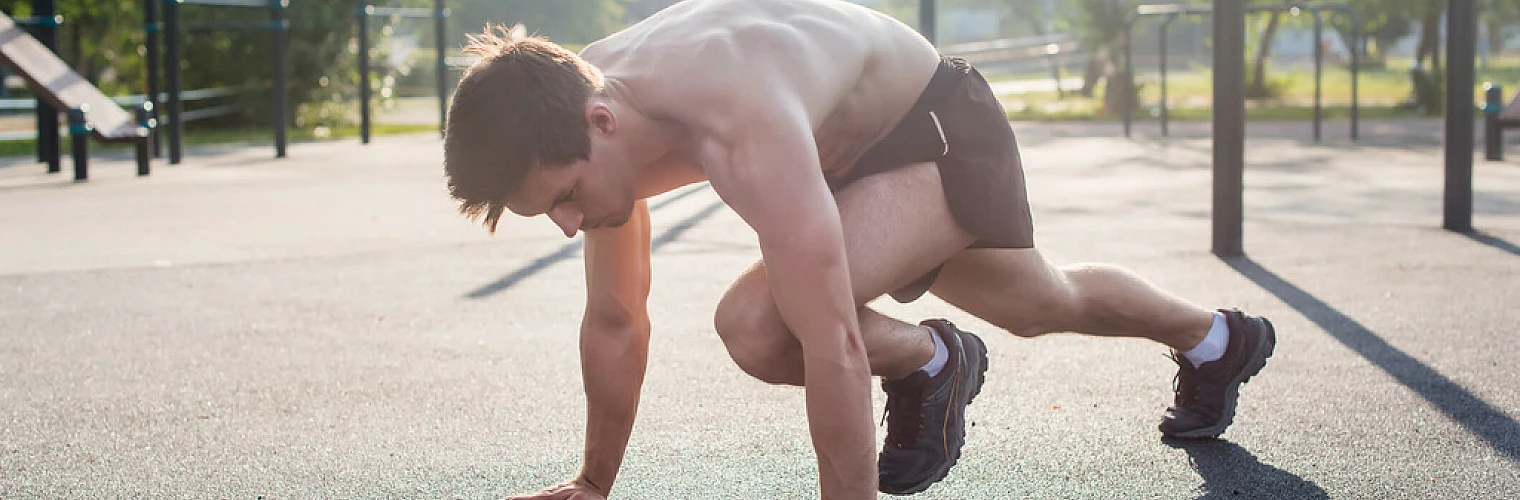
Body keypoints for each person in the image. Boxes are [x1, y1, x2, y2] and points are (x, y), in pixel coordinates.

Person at [442, 1, 1277, 498]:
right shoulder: (583, 105)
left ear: (600, 125)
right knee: (1040, 301)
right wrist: (594, 483)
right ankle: (1218, 339)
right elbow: (617, 318)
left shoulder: (735, 114)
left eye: (560, 199)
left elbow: (837, 344)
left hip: (937, 129)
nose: (562, 225)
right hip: (851, 155)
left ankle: (933, 363)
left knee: (762, 325)